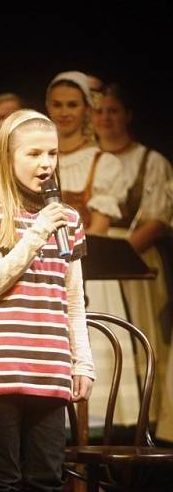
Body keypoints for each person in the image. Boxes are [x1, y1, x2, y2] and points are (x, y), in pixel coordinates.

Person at [0, 109, 95, 491]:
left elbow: (74, 300)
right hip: (1, 368)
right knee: (0, 478)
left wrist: (83, 363)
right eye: (34, 154)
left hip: (50, 367)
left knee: (46, 478)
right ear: (9, 157)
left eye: (52, 154)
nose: (46, 164)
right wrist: (37, 232)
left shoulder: (68, 221)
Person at [45, 71, 136, 428]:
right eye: (57, 104)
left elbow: (97, 227)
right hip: (45, 270)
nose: (65, 112)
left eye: (73, 104)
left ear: (86, 109)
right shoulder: (39, 159)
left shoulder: (103, 162)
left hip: (88, 273)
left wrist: (68, 261)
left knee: (92, 375)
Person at [92, 83, 173, 439]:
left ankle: (145, 421)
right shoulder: (87, 160)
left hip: (134, 262)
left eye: (113, 110)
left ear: (127, 115)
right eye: (99, 111)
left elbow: (157, 218)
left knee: (142, 335)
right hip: (95, 259)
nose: (106, 118)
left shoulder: (150, 161)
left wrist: (118, 256)